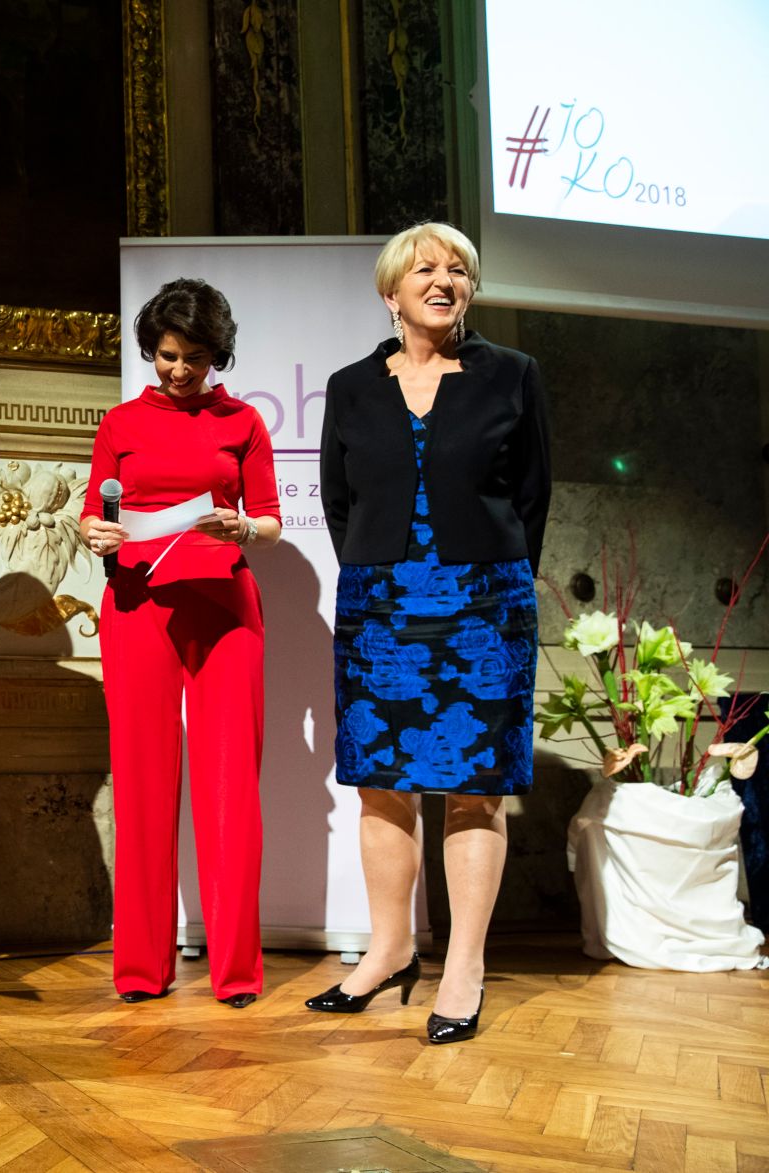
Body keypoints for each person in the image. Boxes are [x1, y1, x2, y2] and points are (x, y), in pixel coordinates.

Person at [308, 221, 550, 1045]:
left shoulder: (513, 376)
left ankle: (463, 967)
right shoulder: (350, 386)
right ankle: (390, 949)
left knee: (475, 787)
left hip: (485, 606)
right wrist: (379, 572)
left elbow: (533, 496)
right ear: (391, 291)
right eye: (425, 269)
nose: (443, 280)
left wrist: (495, 578)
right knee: (381, 781)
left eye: (458, 270)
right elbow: (339, 501)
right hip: (379, 607)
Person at [79, 278, 280, 1009]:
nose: (179, 370)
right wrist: (96, 531)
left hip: (225, 604)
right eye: (167, 355)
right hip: (137, 602)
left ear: (216, 353)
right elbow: (96, 509)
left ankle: (235, 972)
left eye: (195, 356)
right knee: (141, 781)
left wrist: (241, 528)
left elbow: (269, 519)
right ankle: (140, 967)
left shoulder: (244, 423)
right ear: (149, 350)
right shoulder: (121, 422)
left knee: (230, 788)